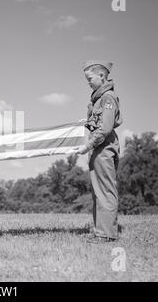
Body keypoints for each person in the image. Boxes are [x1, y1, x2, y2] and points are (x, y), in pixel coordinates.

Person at [71, 61, 123, 243]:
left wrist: (87, 145)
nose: (88, 83)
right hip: (98, 148)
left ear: (102, 75)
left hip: (103, 147)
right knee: (97, 191)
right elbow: (97, 123)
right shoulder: (98, 99)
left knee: (105, 190)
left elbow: (105, 128)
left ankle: (106, 234)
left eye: (90, 79)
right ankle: (99, 230)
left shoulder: (108, 97)